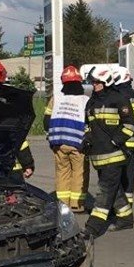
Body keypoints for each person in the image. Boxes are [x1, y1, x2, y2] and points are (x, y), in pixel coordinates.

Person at [83, 64, 134, 237]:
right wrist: (87, 140)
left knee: (105, 191)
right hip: (98, 156)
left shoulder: (118, 98)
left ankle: (93, 227)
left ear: (106, 81)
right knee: (115, 190)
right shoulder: (92, 101)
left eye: (97, 82)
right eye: (93, 82)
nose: (94, 85)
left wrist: (116, 140)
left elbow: (130, 124)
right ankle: (126, 219)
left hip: (113, 155)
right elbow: (88, 125)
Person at [46, 65, 89, 211]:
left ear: (63, 82)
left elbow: (46, 120)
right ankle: (76, 204)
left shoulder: (56, 98)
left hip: (58, 142)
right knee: (79, 172)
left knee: (62, 172)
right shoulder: (85, 100)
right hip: (78, 143)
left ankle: (62, 203)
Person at [113, 65, 134, 208]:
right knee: (129, 177)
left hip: (122, 141)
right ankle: (128, 205)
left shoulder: (119, 95)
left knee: (117, 177)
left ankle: (119, 207)